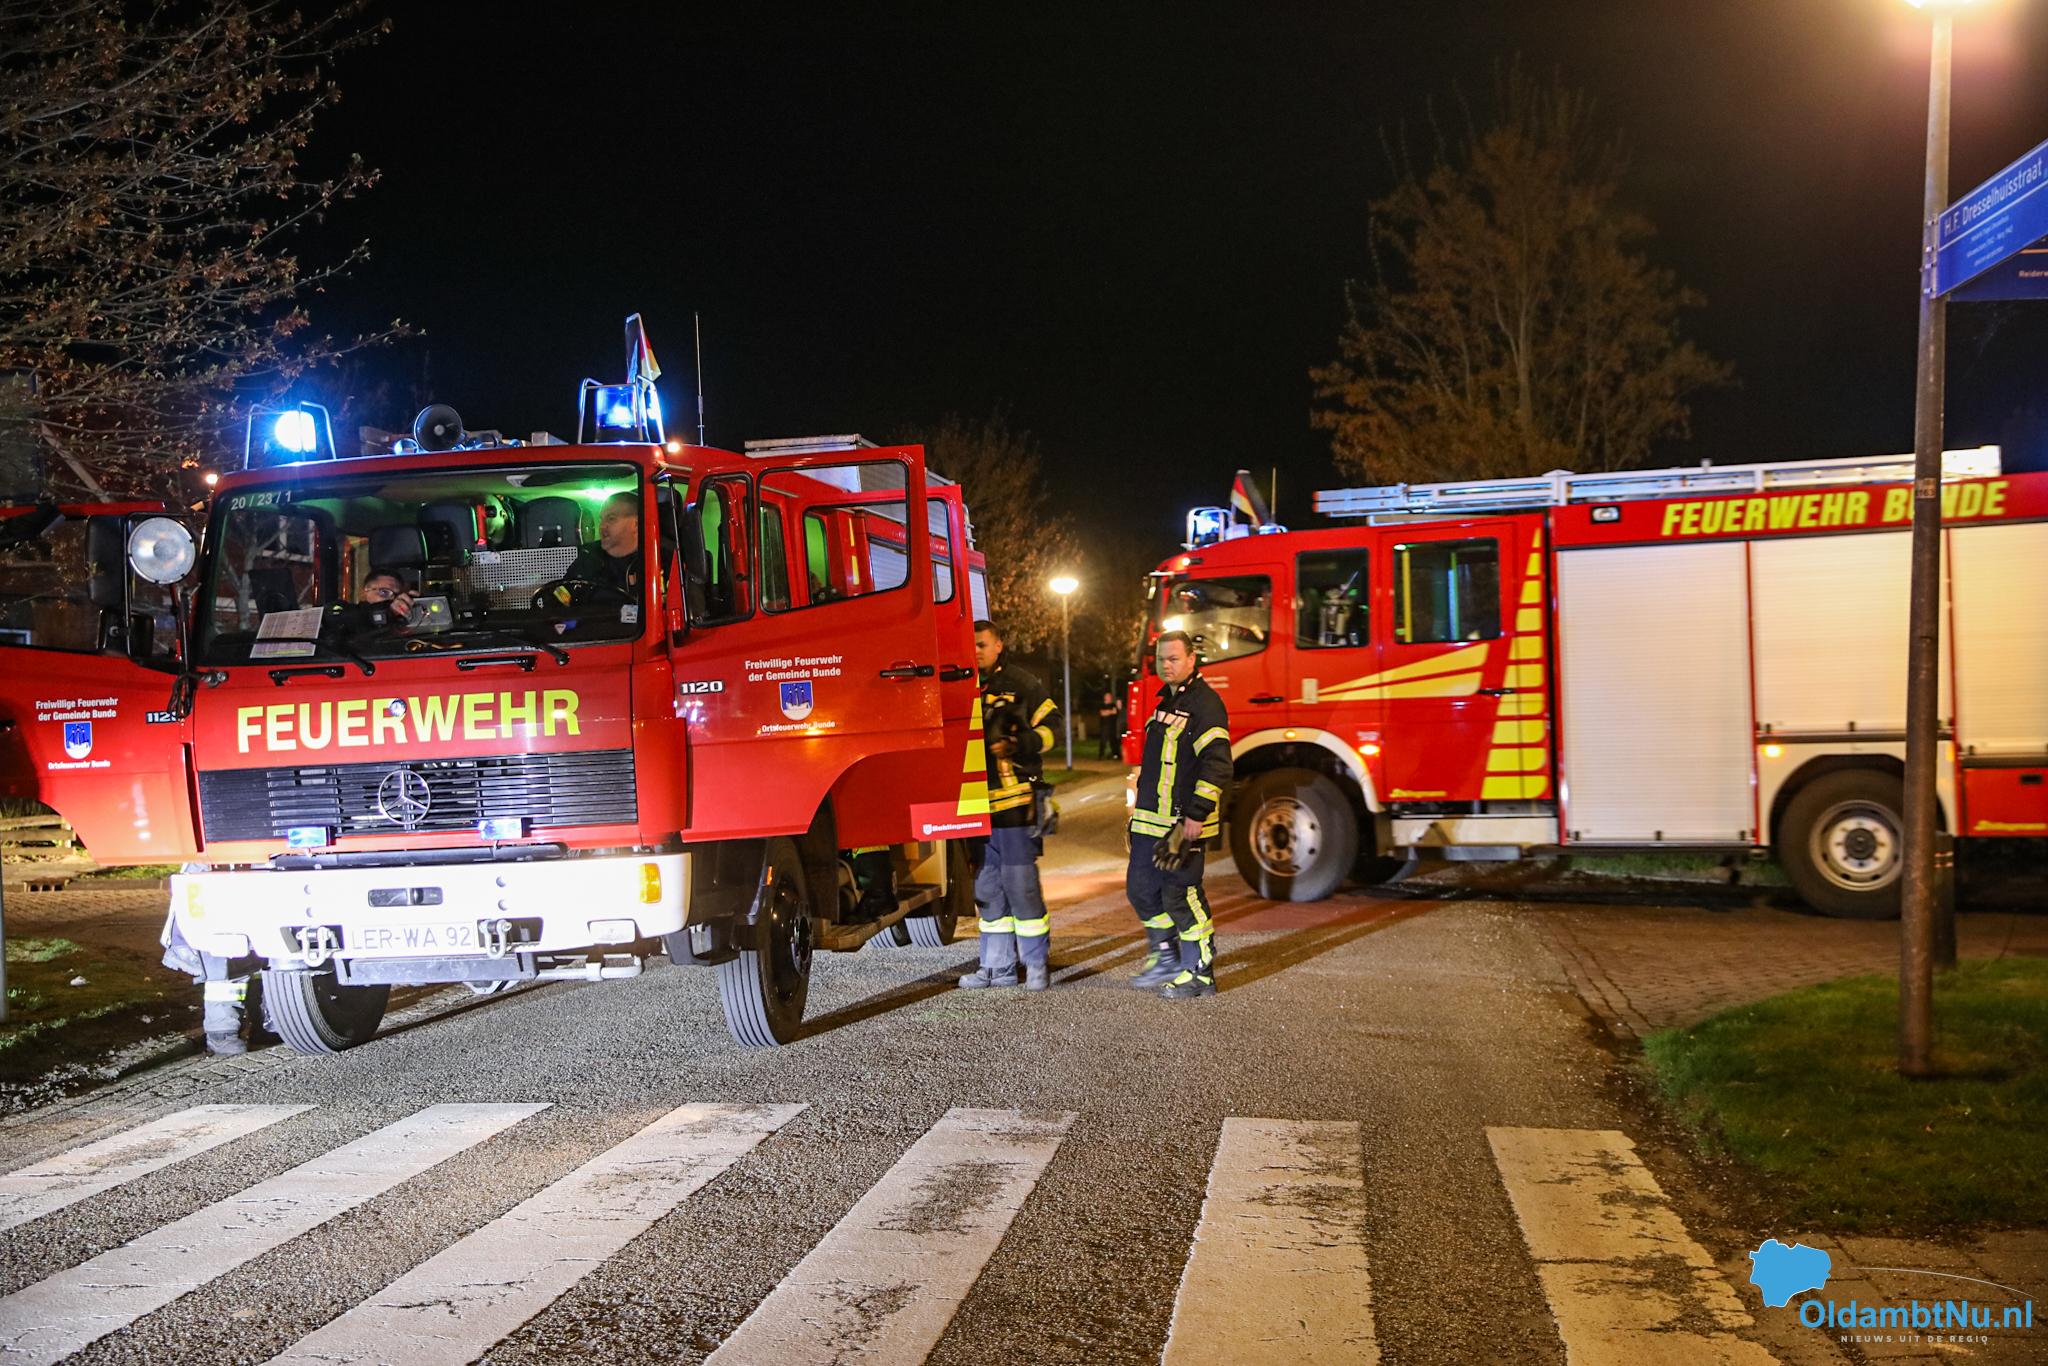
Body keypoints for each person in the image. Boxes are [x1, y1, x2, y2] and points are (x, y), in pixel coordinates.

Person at [1126, 630, 1231, 998]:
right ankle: (1168, 954)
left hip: (1182, 822)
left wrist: (1196, 815)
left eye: (1173, 658)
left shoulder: (1206, 705)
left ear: (1191, 659)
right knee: (1140, 889)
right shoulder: (1165, 702)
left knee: (1181, 895)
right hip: (1150, 819)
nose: (1166, 665)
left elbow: (1218, 765)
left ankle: (1199, 972)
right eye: (1161, 659)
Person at [959, 618, 1061, 992]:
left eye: (982, 644)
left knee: (1021, 886)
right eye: (971, 645)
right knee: (987, 890)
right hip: (977, 808)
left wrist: (1022, 744)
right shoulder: (962, 685)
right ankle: (996, 967)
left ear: (999, 645)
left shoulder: (1022, 684)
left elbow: (1053, 726)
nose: (976, 652)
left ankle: (1035, 965)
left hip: (1017, 804)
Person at [546, 490, 642, 608]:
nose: (602, 526)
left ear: (636, 524)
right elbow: (560, 597)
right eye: (602, 519)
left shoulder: (656, 558)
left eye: (611, 519)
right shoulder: (589, 557)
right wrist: (555, 603)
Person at [1097, 686, 1121, 759]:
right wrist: (1110, 712)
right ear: (1105, 697)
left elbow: (1115, 712)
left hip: (1112, 726)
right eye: (1107, 696)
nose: (1109, 698)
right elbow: (1102, 713)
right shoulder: (1102, 705)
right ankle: (1101, 755)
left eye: (1110, 696)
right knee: (1103, 741)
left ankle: (1116, 755)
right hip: (1104, 726)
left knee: (1113, 741)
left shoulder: (1113, 705)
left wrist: (1107, 712)